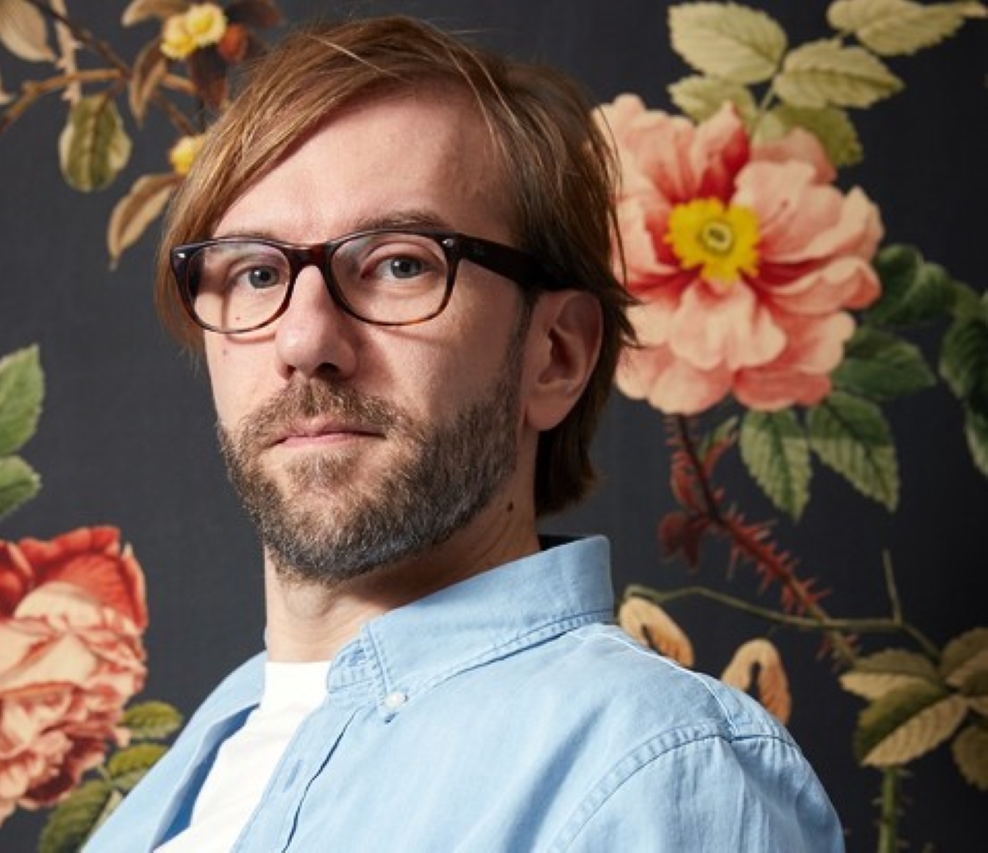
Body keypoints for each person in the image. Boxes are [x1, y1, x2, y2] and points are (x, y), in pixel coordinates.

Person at [85, 14, 844, 852]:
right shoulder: (188, 778)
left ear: (554, 355)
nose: (304, 342)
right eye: (256, 272)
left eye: (400, 263)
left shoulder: (654, 767)